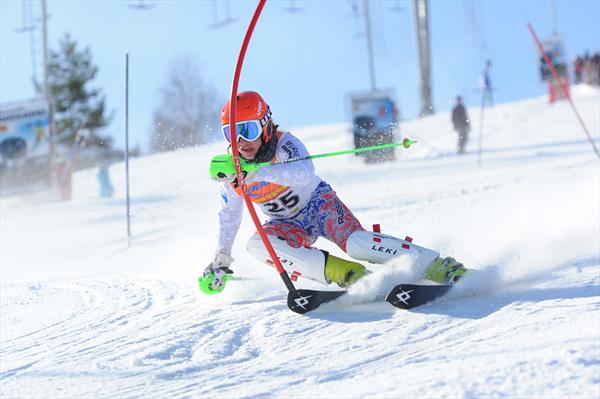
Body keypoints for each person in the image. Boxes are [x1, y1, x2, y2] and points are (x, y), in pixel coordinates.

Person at [203, 91, 467, 291]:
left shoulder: (285, 144)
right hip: (285, 223)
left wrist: (258, 172)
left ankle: (438, 265)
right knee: (259, 244)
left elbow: (304, 171)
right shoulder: (232, 172)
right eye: (231, 133)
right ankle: (350, 275)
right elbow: (229, 215)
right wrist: (221, 258)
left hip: (319, 206)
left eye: (247, 130)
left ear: (265, 124)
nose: (240, 141)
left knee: (357, 243)